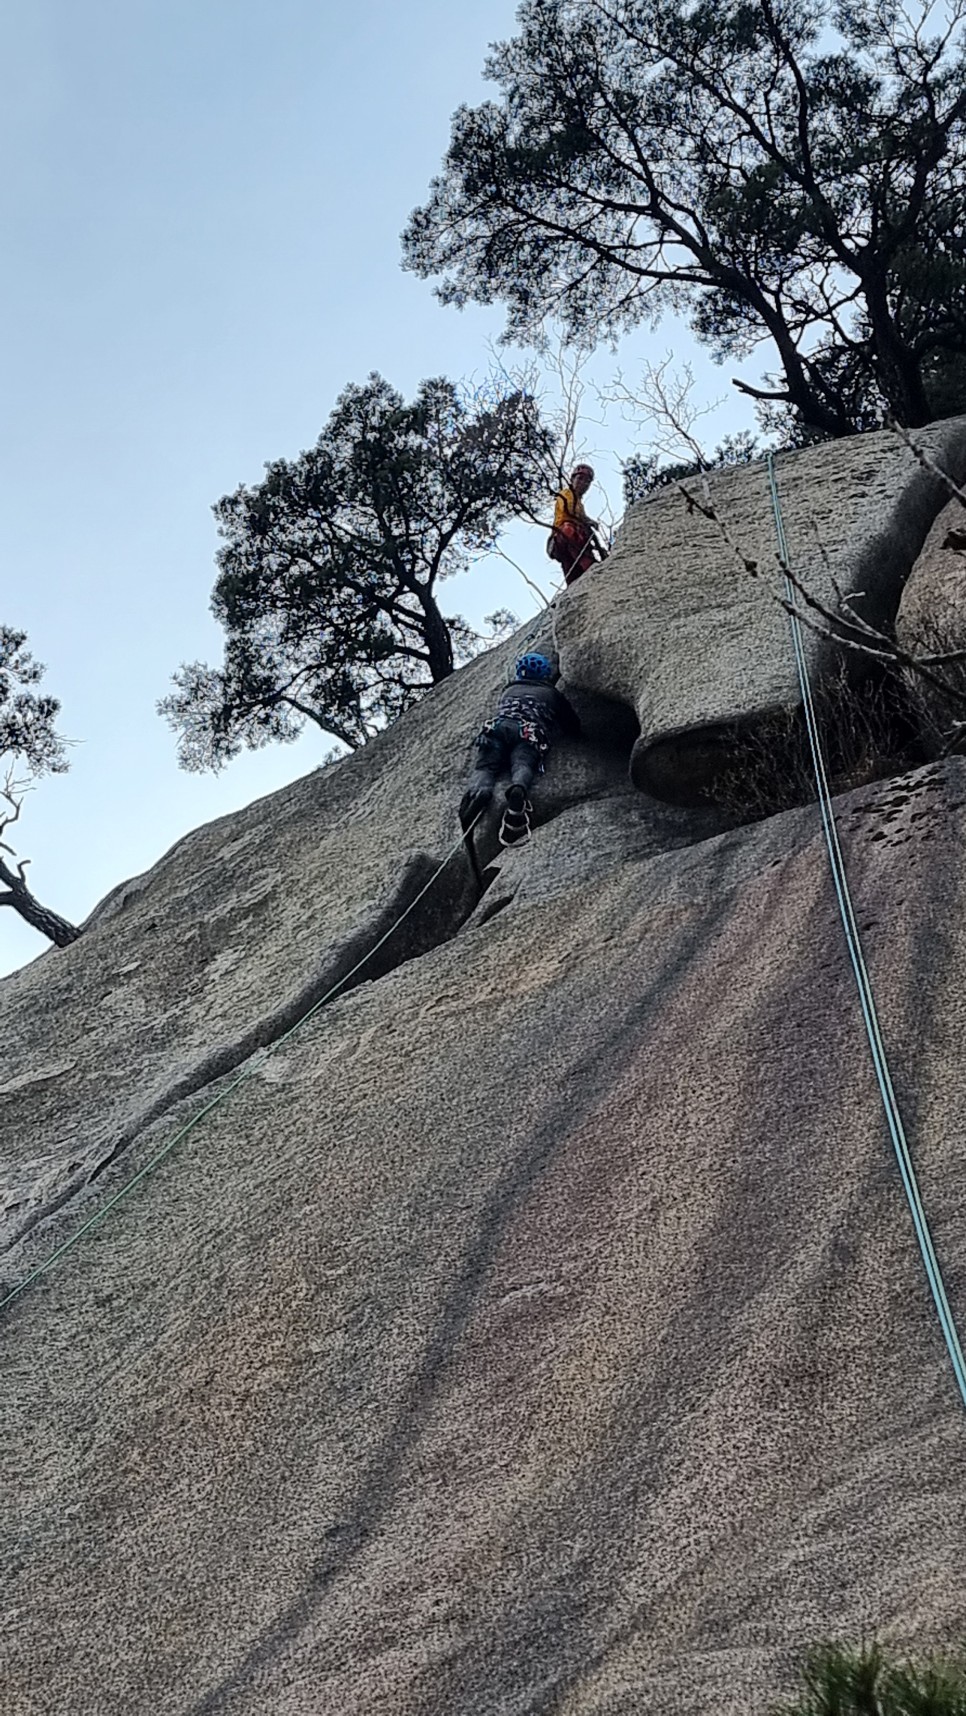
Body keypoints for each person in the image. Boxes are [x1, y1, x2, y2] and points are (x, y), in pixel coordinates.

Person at [459, 652, 581, 849]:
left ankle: (479, 792)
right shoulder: (552, 694)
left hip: (497, 728)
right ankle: (518, 789)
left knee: (486, 768)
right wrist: (580, 735)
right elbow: (571, 723)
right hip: (527, 731)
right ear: (545, 675)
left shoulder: (509, 689)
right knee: (523, 763)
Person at [548, 464, 608, 585]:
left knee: (573, 573)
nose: (583, 483)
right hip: (563, 536)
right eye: (580, 479)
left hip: (576, 542)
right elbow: (570, 511)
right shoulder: (566, 494)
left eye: (587, 481)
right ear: (572, 479)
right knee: (569, 529)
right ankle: (588, 566)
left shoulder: (580, 504)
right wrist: (588, 521)